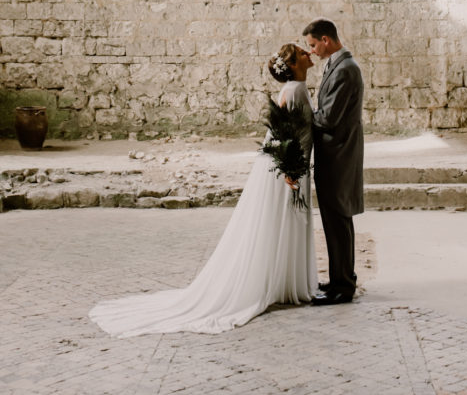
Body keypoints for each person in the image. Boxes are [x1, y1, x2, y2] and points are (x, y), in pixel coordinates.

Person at [89, 43, 317, 336]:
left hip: (294, 166)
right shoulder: (294, 91)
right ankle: (278, 284)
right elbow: (280, 135)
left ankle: (284, 283)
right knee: (282, 221)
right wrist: (290, 170)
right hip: (288, 170)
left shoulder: (296, 88)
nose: (308, 52)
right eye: (302, 51)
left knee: (286, 222)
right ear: (294, 64)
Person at [302, 17, 364, 305]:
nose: (312, 51)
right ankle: (340, 278)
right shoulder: (337, 65)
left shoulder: (345, 69)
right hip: (335, 153)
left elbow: (328, 118)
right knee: (335, 220)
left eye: (313, 45)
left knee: (338, 219)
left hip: (339, 154)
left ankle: (343, 286)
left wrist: (300, 114)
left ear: (326, 40)